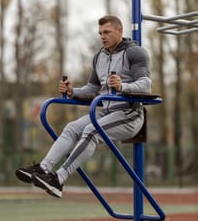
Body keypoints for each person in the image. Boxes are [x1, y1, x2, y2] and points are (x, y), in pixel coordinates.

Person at [15, 15, 151, 198]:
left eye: (107, 32)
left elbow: (146, 84)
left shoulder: (135, 52)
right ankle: (43, 169)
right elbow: (93, 89)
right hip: (106, 113)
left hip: (129, 115)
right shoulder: (99, 57)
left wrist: (122, 86)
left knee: (91, 131)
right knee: (71, 128)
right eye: (100, 33)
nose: (102, 36)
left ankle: (59, 179)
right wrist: (72, 91)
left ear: (119, 31)